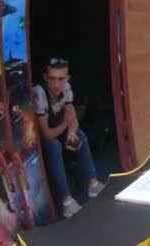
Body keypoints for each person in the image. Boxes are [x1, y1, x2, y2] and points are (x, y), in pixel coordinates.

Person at [32, 58, 103, 218]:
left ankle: (92, 184)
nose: (56, 84)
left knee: (80, 135)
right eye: (52, 79)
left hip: (57, 128)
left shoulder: (67, 89)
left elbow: (73, 117)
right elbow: (47, 134)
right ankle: (66, 202)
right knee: (54, 145)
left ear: (67, 79)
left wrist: (71, 131)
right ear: (45, 77)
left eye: (61, 79)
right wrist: (66, 124)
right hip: (39, 139)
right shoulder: (39, 93)